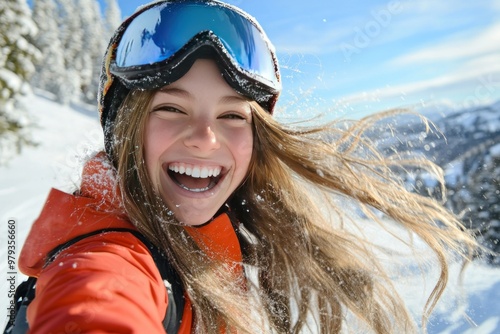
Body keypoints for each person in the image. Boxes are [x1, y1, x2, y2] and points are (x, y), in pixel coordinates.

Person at [17, 0, 478, 333]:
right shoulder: (105, 259)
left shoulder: (214, 238)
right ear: (124, 129)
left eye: (232, 115)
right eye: (171, 109)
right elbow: (97, 303)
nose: (205, 137)